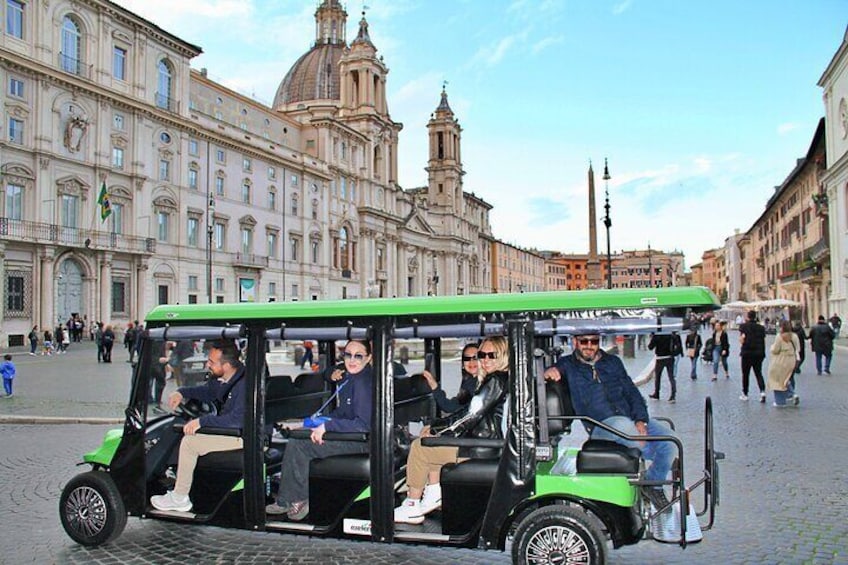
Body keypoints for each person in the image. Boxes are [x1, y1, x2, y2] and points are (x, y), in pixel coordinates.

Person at [543, 332, 677, 511]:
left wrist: (641, 420)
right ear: (575, 342)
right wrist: (549, 371)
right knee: (628, 430)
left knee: (670, 441)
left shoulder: (613, 362)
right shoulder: (567, 365)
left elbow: (632, 392)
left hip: (628, 419)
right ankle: (658, 460)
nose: (589, 345)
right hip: (600, 426)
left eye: (594, 341)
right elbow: (548, 371)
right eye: (584, 341)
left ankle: (653, 483)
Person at [394, 336, 508, 525]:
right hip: (483, 442)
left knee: (419, 447)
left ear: (502, 356)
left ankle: (412, 504)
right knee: (432, 446)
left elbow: (471, 414)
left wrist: (438, 429)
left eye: (491, 355)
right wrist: (438, 427)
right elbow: (465, 411)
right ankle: (433, 493)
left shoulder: (495, 380)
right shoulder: (495, 379)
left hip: (481, 446)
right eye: (482, 355)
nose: (485, 359)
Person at [266, 339, 374, 521]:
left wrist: (326, 426)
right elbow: (343, 413)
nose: (352, 360)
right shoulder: (352, 377)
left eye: (358, 356)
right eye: (348, 355)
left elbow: (363, 424)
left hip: (361, 442)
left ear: (368, 358)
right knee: (299, 437)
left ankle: (297, 498)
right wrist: (307, 423)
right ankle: (287, 498)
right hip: (355, 437)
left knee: (299, 444)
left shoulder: (362, 383)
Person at [150, 340, 246, 512]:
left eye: (212, 362)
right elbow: (207, 392)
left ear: (227, 365)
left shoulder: (242, 385)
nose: (208, 364)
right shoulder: (226, 379)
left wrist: (202, 422)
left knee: (190, 443)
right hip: (238, 431)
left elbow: (235, 420)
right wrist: (182, 392)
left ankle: (179, 497)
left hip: (245, 436)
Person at [421, 343, 479, 414]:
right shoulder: (469, 383)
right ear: (463, 364)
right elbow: (451, 407)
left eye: (476, 357)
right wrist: (434, 386)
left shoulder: (485, 384)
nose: (471, 361)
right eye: (467, 358)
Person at [768, 321, 800, 407]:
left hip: (780, 360)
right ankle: (792, 394)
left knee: (776, 380)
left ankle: (780, 402)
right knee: (786, 378)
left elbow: (775, 350)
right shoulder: (795, 336)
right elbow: (798, 348)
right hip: (791, 360)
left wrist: (771, 347)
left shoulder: (779, 336)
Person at [738, 310, 767, 402]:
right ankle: (762, 392)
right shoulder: (761, 328)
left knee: (745, 374)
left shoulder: (743, 327)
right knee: (758, 373)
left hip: (747, 353)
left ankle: (745, 394)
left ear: (748, 316)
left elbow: (742, 339)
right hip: (758, 353)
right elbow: (763, 341)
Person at [647, 332, 680, 402]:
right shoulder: (670, 335)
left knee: (658, 377)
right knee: (671, 377)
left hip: (660, 358)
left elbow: (650, 347)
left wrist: (652, 338)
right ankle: (673, 395)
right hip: (670, 357)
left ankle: (657, 393)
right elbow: (678, 344)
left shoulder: (657, 336)